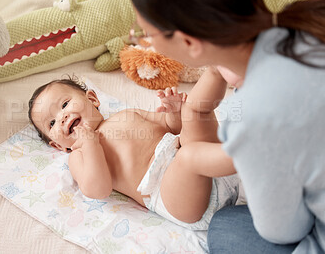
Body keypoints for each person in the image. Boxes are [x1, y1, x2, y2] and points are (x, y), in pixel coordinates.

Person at [128, 0, 325, 253]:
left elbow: (283, 230)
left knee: (225, 228)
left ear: (189, 43)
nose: (143, 41)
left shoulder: (249, 116)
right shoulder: (309, 18)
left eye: (146, 35)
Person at [28, 69, 239, 231]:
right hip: (176, 197)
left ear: (92, 99)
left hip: (206, 165)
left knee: (194, 109)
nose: (62, 117)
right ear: (57, 145)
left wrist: (174, 111)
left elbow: (172, 127)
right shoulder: (78, 155)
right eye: (52, 123)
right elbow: (97, 189)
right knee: (187, 157)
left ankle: (218, 69)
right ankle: (250, 153)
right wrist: (91, 145)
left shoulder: (127, 114)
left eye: (65, 104)